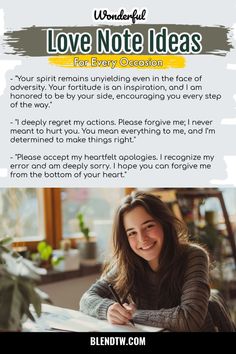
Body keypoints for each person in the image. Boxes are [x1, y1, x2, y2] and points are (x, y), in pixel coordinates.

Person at [79, 191, 235, 332]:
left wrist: (132, 315)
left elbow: (189, 319)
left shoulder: (193, 256)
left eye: (149, 226)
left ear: (164, 224)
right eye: (132, 233)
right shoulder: (128, 264)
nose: (142, 239)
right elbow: (87, 299)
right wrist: (107, 309)